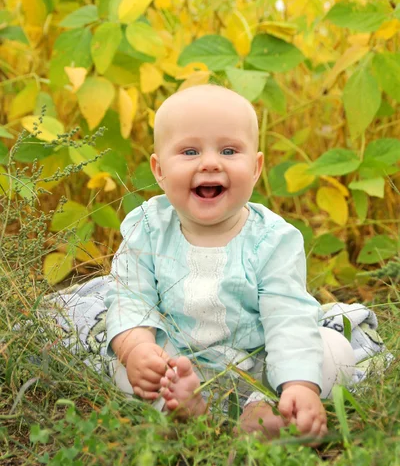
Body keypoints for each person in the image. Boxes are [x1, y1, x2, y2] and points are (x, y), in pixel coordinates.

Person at [105, 85, 355, 439]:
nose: (210, 162)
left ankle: (262, 409)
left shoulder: (273, 240)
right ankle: (184, 406)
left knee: (334, 350)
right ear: (159, 170)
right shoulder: (147, 227)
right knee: (125, 363)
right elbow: (129, 295)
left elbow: (288, 314)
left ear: (255, 168)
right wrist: (138, 349)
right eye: (190, 151)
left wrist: (301, 383)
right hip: (177, 358)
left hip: (257, 359)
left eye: (228, 150)